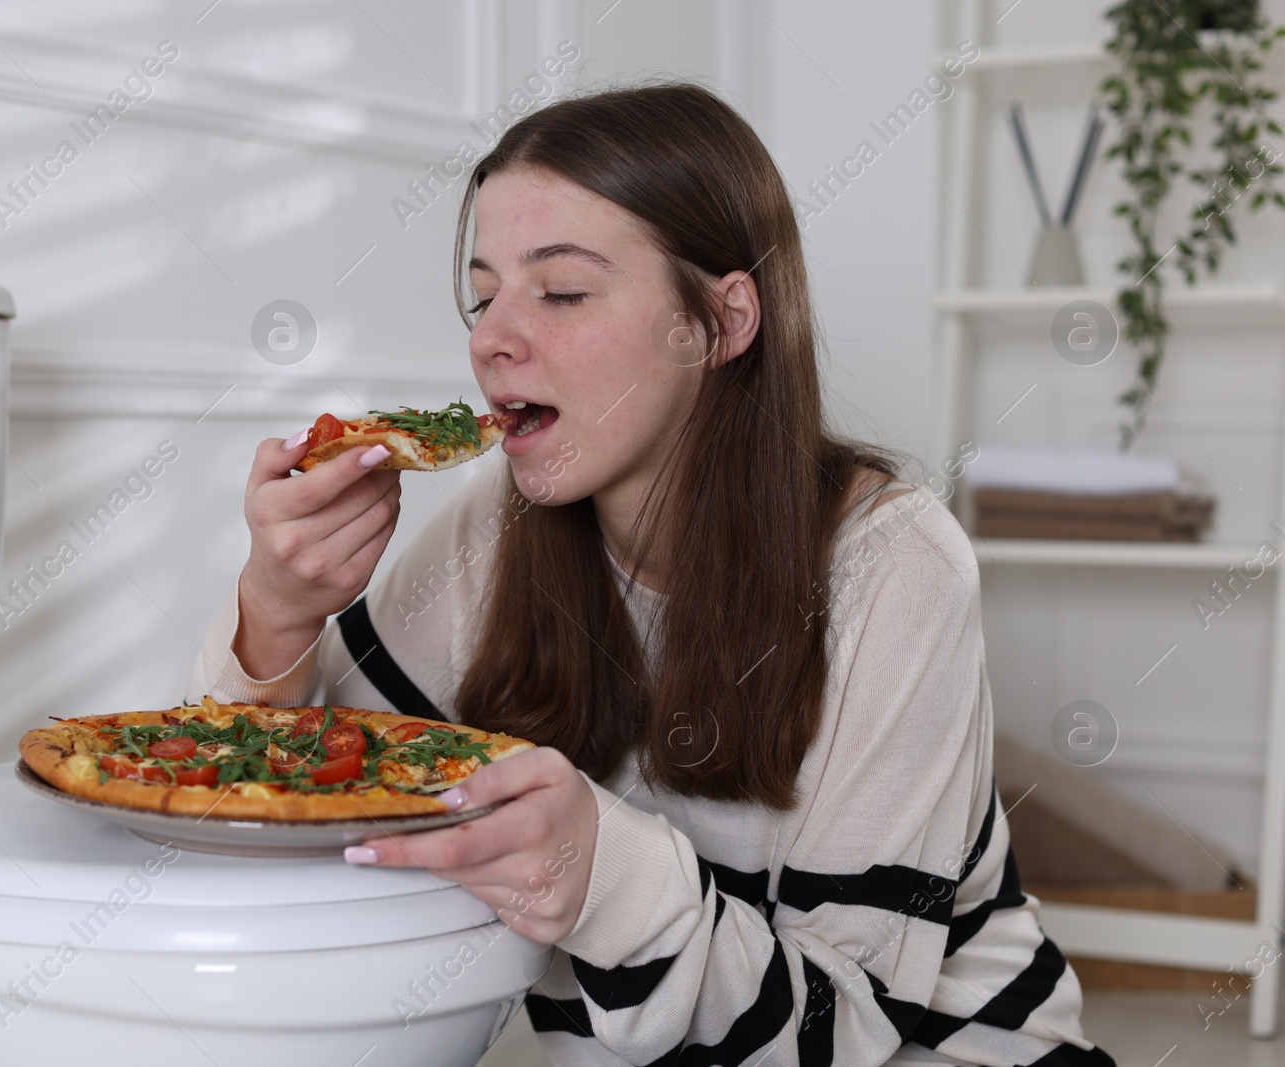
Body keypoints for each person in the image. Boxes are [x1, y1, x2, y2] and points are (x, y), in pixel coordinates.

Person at [187, 82, 1114, 1067]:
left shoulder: (895, 565)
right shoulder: (493, 533)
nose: (492, 337)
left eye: (562, 291)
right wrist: (275, 621)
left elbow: (841, 1030)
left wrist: (602, 871)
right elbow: (283, 815)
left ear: (719, 321)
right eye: (482, 292)